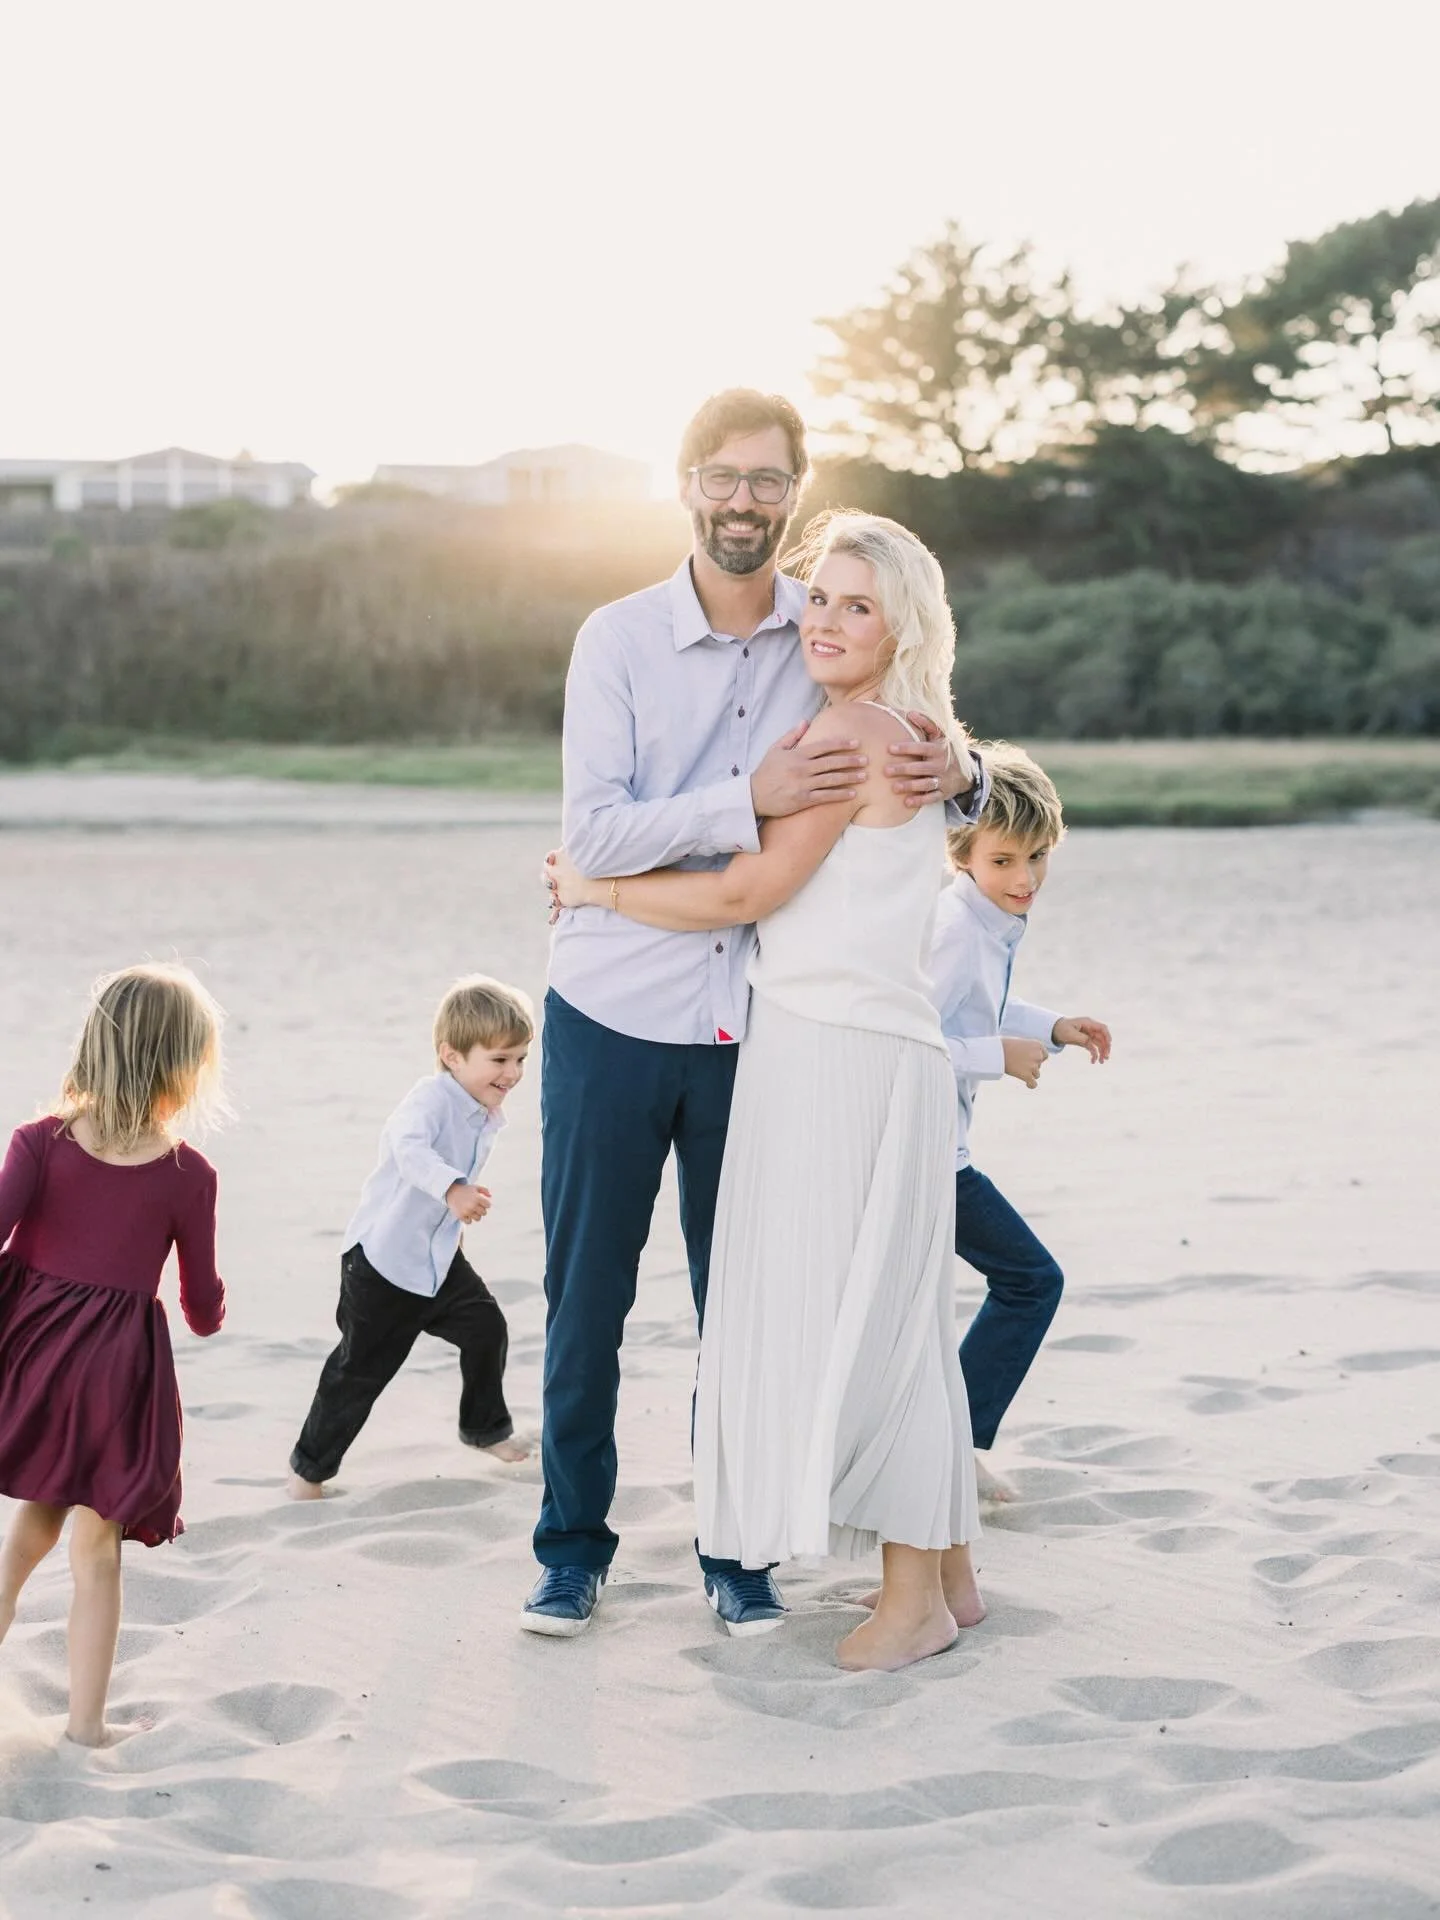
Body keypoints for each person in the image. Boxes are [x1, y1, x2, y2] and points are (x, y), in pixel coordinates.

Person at [525, 391, 985, 1640]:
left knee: (752, 1304)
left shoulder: (823, 626)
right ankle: (570, 1548)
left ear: (793, 490)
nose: (744, 501)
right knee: (589, 1300)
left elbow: (921, 724)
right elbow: (596, 829)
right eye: (723, 477)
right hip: (615, 1009)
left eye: (768, 481)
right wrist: (749, 792)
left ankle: (739, 1553)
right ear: (684, 484)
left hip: (756, 1028)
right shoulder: (616, 640)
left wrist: (966, 770)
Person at [0, 963, 227, 1748]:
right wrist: (212, 1307)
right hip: (116, 1377)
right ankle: (87, 1726)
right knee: (97, 1547)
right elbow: (200, 1306)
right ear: (183, 1068)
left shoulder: (38, 1145)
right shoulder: (188, 1176)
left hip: (39, 1361)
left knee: (32, 1528)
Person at [930, 745, 1113, 1499]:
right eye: (1004, 860)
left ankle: (951, 1446)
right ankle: (954, 1448)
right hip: (926, 1151)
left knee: (1000, 1286)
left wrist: (1053, 1026)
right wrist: (994, 1055)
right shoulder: (952, 928)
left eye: (1038, 857)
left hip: (944, 1146)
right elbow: (905, 1040)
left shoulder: (985, 917)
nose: (1025, 879)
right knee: (1031, 1279)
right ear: (960, 852)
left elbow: (982, 1005)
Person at [287, 975, 532, 1499]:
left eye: (520, 1059)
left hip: (437, 1262)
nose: (512, 1073)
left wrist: (453, 1228)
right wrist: (453, 1189)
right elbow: (410, 1151)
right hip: (382, 1266)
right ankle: (309, 1472)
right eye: (500, 1059)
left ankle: (483, 1428)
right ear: (452, 1055)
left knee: (487, 1329)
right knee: (359, 1373)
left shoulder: (481, 1107)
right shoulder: (428, 1100)